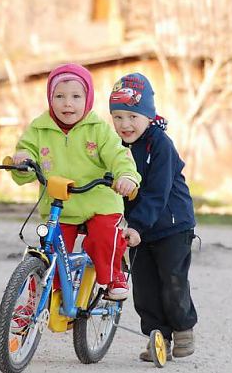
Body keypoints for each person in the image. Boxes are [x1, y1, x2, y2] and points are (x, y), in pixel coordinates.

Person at [9, 63, 141, 302]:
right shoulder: (39, 129)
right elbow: (26, 153)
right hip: (61, 205)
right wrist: (23, 160)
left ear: (88, 99)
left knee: (104, 236)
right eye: (59, 96)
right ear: (50, 99)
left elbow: (118, 155)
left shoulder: (99, 129)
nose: (67, 103)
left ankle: (114, 276)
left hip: (99, 200)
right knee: (49, 254)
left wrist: (126, 177)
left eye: (76, 96)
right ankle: (37, 302)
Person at [109, 73, 198, 361]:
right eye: (118, 117)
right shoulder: (115, 148)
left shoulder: (160, 145)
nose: (125, 124)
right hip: (139, 229)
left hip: (172, 226)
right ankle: (157, 338)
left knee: (172, 281)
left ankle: (183, 328)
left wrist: (136, 224)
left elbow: (158, 192)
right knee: (145, 290)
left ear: (148, 116)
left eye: (133, 116)